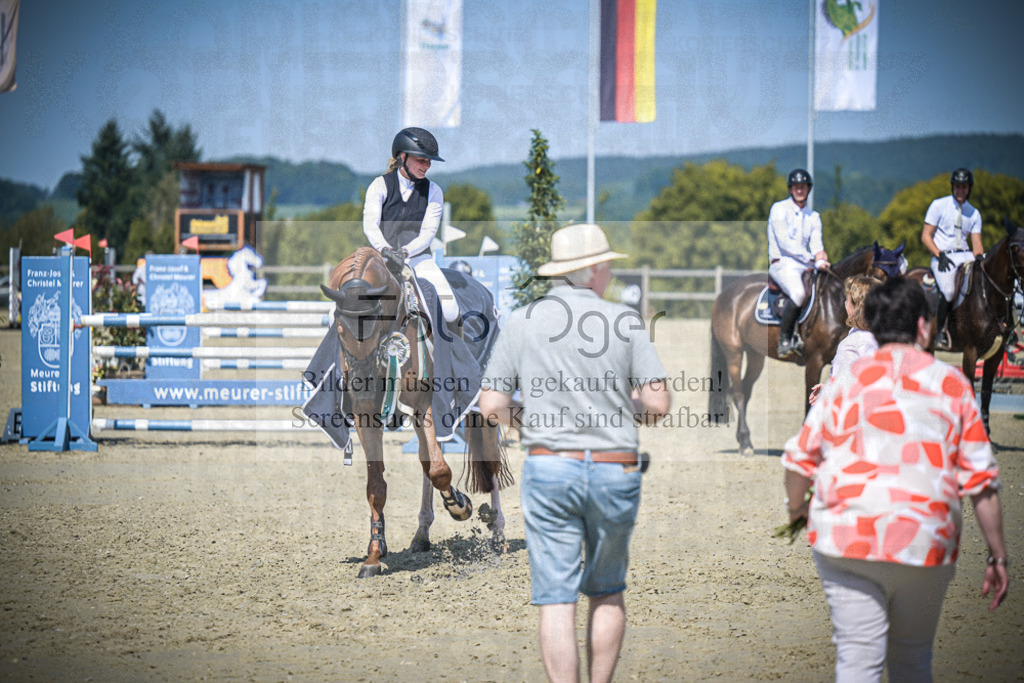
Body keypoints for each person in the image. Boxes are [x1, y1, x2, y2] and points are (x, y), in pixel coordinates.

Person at [782, 276, 1008, 683]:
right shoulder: (952, 384)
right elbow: (981, 481)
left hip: (847, 536)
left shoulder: (846, 380)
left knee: (857, 662)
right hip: (925, 537)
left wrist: (797, 509)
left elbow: (798, 460)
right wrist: (997, 554)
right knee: (912, 660)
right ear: (923, 327)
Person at [479, 223, 670, 683]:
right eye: (606, 265)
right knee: (606, 591)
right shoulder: (625, 321)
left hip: (550, 468)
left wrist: (536, 421)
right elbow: (658, 404)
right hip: (613, 469)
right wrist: (625, 414)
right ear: (594, 270)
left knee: (555, 599)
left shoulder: (522, 321)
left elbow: (491, 406)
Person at [363, 126, 458, 324]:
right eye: (421, 160)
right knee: (338, 311)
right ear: (403, 157)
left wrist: (404, 252)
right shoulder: (379, 185)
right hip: (382, 259)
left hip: (419, 259)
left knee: (450, 310)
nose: (427, 165)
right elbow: (370, 226)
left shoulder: (434, 191)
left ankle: (453, 355)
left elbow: (427, 234)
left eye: (429, 161)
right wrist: (386, 250)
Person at [768, 169, 830, 359]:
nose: (799, 190)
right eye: (796, 187)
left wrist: (821, 258)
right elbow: (785, 243)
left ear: (808, 189)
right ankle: (784, 340)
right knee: (799, 292)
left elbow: (817, 243)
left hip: (805, 265)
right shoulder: (779, 209)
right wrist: (812, 258)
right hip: (782, 263)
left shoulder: (814, 217)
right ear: (790, 189)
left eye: (803, 187)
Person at [921, 167, 984, 348]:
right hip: (942, 255)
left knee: (985, 279)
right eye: (957, 186)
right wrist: (938, 254)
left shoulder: (974, 213)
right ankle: (940, 331)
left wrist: (979, 258)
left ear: (969, 188)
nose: (960, 190)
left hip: (965, 254)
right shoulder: (938, 205)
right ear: (952, 187)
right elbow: (926, 235)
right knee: (948, 290)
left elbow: (977, 243)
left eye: (964, 187)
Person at [808, 274, 881, 405]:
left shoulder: (852, 343)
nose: (845, 303)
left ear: (857, 306)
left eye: (847, 300)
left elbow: (849, 389)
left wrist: (830, 393)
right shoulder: (884, 336)